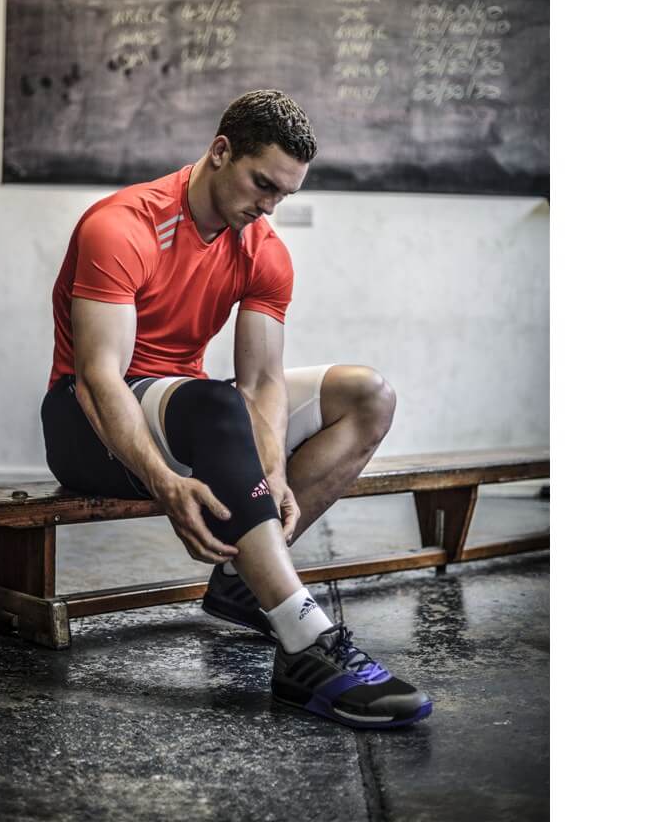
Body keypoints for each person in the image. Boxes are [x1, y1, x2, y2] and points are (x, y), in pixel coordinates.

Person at [41, 89, 431, 729]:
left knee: (367, 394)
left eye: (285, 194)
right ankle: (305, 642)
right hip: (85, 425)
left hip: (189, 410)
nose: (269, 206)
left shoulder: (263, 248)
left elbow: (263, 382)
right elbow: (97, 378)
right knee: (214, 405)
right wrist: (163, 483)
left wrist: (272, 469)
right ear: (221, 152)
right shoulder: (122, 226)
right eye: (262, 184)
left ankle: (245, 585)